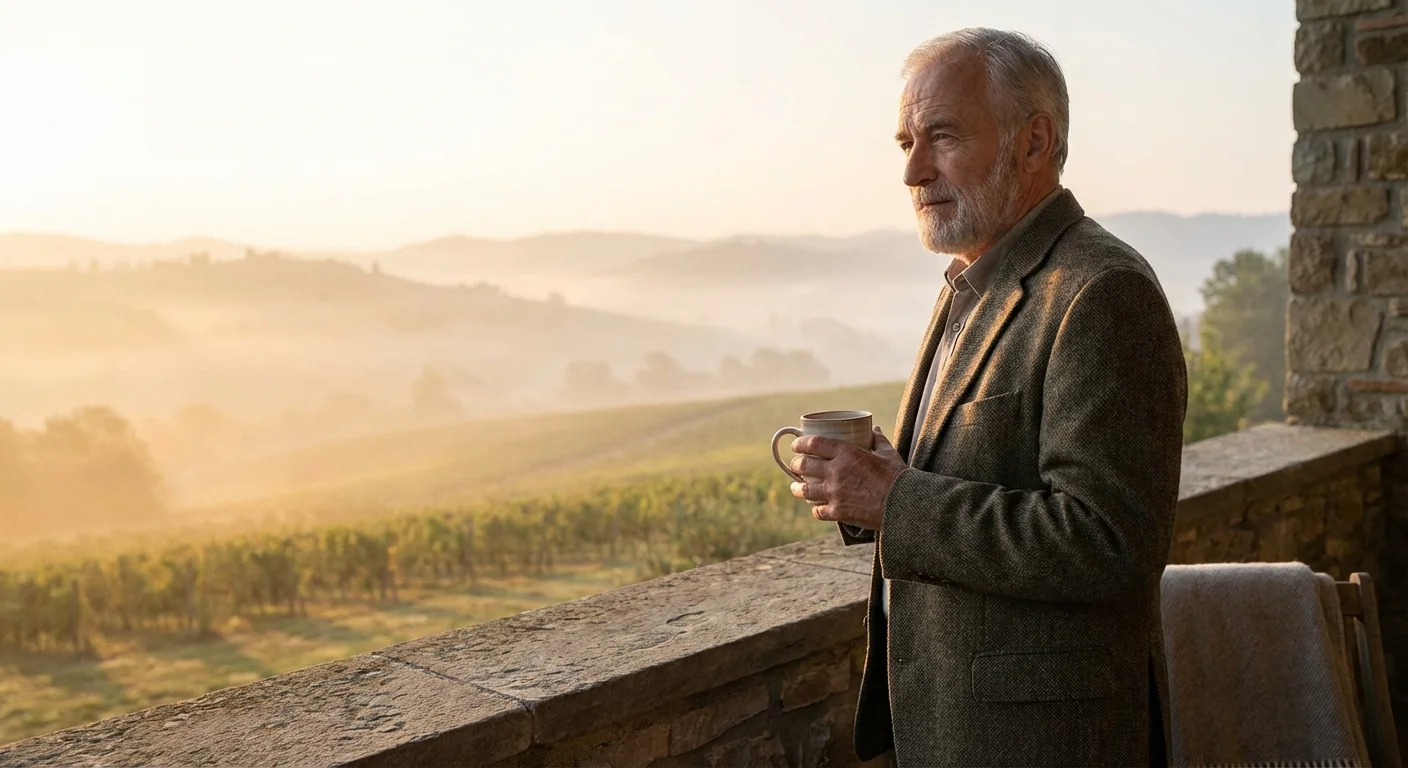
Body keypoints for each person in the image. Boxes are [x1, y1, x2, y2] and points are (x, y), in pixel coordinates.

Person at [786, 28, 1187, 767]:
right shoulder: (973, 281)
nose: (912, 170)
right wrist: (884, 477)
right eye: (904, 140)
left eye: (940, 135)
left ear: (1034, 141)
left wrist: (896, 501)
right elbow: (989, 476)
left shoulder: (1102, 293)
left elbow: (1108, 543)